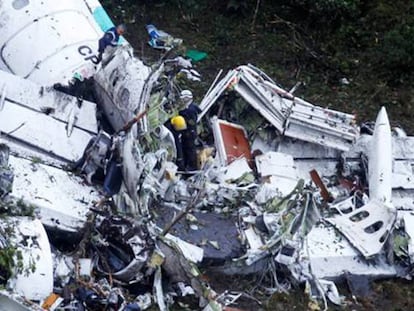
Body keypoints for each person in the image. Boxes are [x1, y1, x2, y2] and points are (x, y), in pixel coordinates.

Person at [177, 89, 201, 171]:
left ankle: (192, 167)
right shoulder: (189, 107)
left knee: (190, 150)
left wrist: (183, 117)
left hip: (190, 132)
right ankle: (187, 166)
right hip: (187, 132)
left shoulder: (191, 109)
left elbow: (192, 122)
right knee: (186, 149)